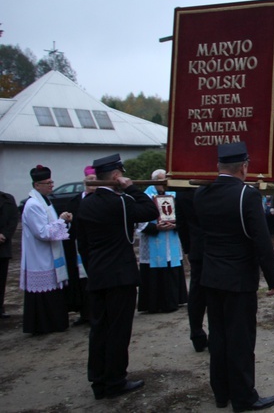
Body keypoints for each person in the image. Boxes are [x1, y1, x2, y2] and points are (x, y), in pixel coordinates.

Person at [193, 142, 274, 411]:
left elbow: (200, 235)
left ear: (218, 167)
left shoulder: (201, 194)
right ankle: (243, 397)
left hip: (211, 275)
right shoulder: (247, 195)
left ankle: (221, 392)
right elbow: (261, 241)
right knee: (240, 339)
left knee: (218, 337)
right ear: (244, 167)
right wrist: (273, 279)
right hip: (239, 277)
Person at [76, 154, 159, 399]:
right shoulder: (120, 202)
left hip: (98, 274)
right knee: (118, 331)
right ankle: (115, 380)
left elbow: (82, 244)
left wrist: (93, 269)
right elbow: (149, 211)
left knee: (99, 328)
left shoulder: (86, 203)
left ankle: (98, 380)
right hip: (120, 274)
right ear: (115, 176)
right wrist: (132, 187)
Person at [20, 164, 73, 334]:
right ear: (37, 185)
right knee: (44, 292)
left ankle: (56, 322)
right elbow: (43, 232)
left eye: (51, 182)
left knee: (54, 291)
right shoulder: (33, 205)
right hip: (40, 256)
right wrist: (62, 220)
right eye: (48, 182)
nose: (51, 185)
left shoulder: (45, 200)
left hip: (50, 253)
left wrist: (63, 221)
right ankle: (44, 325)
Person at [137, 169, 188, 313]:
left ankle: (173, 301)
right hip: (154, 238)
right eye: (160, 180)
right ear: (153, 181)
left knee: (172, 267)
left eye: (165, 180)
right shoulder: (145, 197)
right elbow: (140, 221)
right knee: (154, 273)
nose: (163, 184)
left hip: (170, 237)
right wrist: (155, 227)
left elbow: (182, 215)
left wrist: (176, 224)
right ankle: (154, 304)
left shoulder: (174, 195)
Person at [174, 188, 209, 352]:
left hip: (196, 247)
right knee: (216, 292)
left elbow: (181, 223)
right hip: (216, 247)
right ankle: (214, 335)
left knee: (196, 293)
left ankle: (196, 334)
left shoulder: (183, 192)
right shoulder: (211, 188)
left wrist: (187, 248)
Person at [62, 166, 97, 326]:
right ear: (84, 183)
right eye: (89, 182)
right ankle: (85, 313)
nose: (91, 184)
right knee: (83, 279)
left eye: (94, 181)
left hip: (98, 245)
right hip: (80, 246)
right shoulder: (75, 201)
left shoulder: (102, 199)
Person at [0, 188, 19, 318]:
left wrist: (5, 235)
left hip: (2, 246)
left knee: (1, 279)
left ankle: (0, 309)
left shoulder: (7, 199)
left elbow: (13, 219)